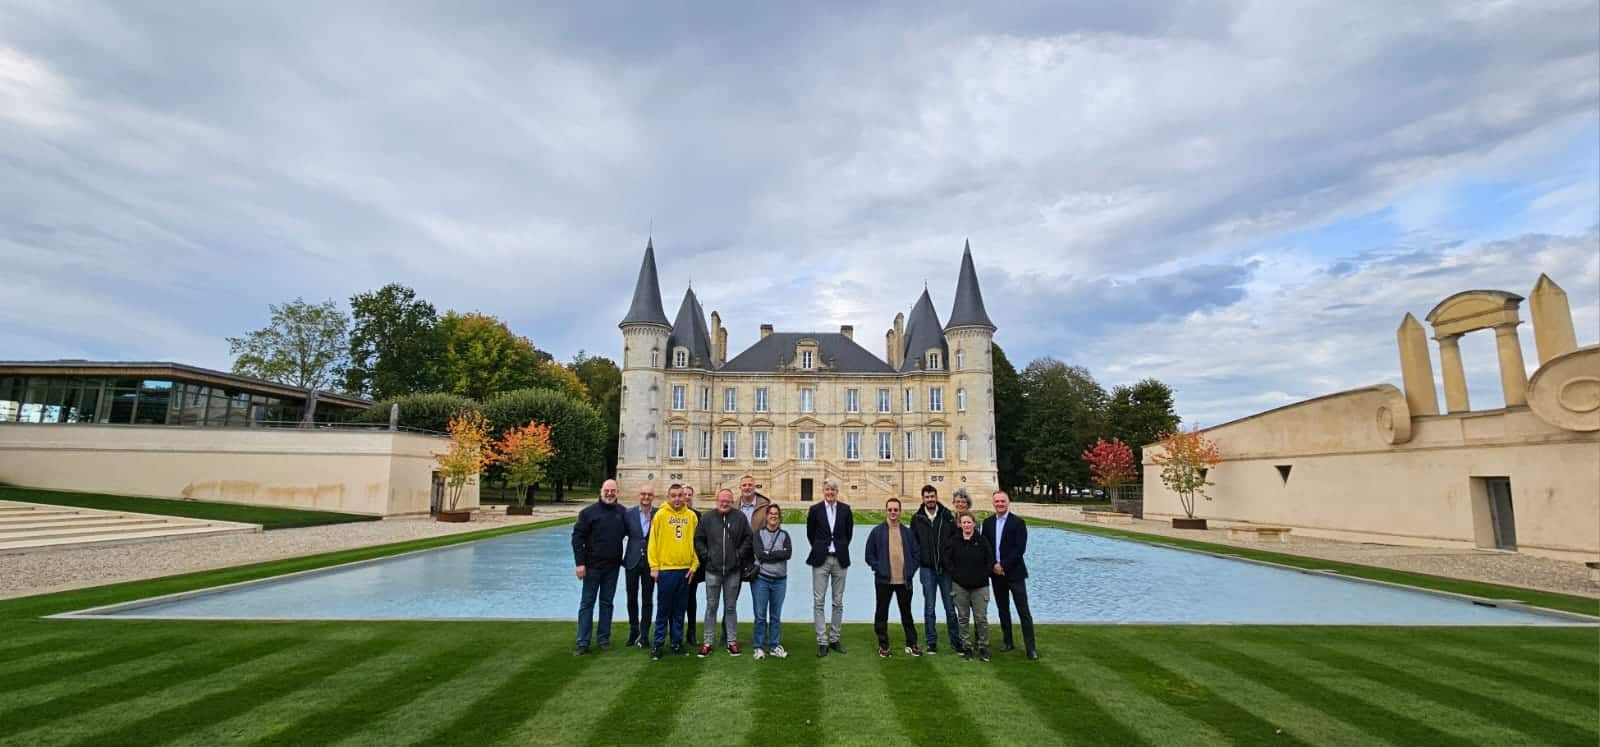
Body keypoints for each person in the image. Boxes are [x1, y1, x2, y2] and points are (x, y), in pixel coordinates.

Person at [693, 488, 754, 657]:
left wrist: (738, 555)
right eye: (722, 500)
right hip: (713, 571)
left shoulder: (740, 517)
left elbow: (749, 538)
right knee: (711, 607)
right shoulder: (707, 518)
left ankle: (732, 642)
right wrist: (707, 556)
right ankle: (707, 642)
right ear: (717, 500)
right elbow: (698, 539)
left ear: (732, 501)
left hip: (733, 571)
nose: (724, 503)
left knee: (731, 607)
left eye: (728, 500)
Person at [571, 479, 627, 655]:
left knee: (607, 603)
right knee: (587, 603)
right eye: (607, 490)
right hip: (592, 566)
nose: (610, 493)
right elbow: (577, 539)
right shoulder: (588, 513)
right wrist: (580, 563)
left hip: (612, 567)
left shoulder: (623, 513)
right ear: (601, 491)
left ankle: (604, 639)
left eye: (613, 490)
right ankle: (583, 641)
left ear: (617, 492)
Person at [864, 497, 922, 658]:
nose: (893, 512)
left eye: (895, 509)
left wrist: (911, 570)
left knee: (907, 613)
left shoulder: (907, 532)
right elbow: (869, 555)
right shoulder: (877, 531)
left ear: (900, 511)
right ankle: (883, 645)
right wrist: (879, 568)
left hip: (904, 580)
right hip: (884, 580)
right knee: (881, 613)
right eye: (890, 509)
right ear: (886, 511)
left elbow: (916, 553)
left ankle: (912, 644)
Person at [648, 483, 700, 660]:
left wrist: (694, 565)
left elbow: (696, 544)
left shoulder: (691, 516)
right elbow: (652, 543)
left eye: (680, 495)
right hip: (666, 570)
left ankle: (677, 642)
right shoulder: (660, 515)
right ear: (668, 497)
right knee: (664, 610)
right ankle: (658, 644)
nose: (677, 499)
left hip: (685, 570)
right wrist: (654, 566)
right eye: (674, 496)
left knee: (679, 610)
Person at [984, 491, 1037, 659]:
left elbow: (1019, 549)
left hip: (1014, 573)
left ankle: (1031, 648)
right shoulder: (988, 523)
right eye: (997, 501)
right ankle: (1008, 641)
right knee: (1003, 609)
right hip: (996, 574)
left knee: (1023, 611)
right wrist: (993, 565)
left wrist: (1003, 565)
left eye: (1002, 501)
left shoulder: (1018, 523)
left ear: (1008, 502)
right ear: (993, 503)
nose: (1000, 504)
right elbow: (986, 547)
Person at [806, 479, 854, 657]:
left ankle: (834, 638)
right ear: (823, 491)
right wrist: (821, 547)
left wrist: (839, 547)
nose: (830, 492)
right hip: (821, 559)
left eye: (833, 489)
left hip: (840, 559)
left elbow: (849, 534)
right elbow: (810, 533)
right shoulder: (815, 510)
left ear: (837, 491)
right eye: (827, 489)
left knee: (838, 601)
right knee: (819, 601)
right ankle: (822, 641)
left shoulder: (845, 510)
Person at [910, 484, 960, 654]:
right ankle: (931, 642)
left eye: (932, 496)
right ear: (923, 499)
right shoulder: (917, 519)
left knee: (949, 607)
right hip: (927, 569)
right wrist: (920, 561)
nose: (930, 500)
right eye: (927, 497)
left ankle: (956, 640)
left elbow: (954, 542)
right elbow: (913, 544)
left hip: (945, 570)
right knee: (929, 607)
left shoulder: (947, 516)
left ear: (936, 497)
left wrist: (949, 561)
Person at [945, 511, 991, 661]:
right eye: (963, 522)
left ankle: (983, 647)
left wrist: (982, 576)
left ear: (974, 524)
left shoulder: (982, 540)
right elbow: (947, 561)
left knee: (981, 618)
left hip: (980, 586)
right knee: (963, 618)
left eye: (969, 522)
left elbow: (989, 561)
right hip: (960, 586)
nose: (966, 525)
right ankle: (967, 647)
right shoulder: (954, 541)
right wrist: (956, 575)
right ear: (960, 524)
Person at [750, 503, 792, 660]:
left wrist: (771, 553)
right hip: (762, 579)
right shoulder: (758, 534)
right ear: (766, 516)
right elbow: (760, 555)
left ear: (779, 517)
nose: (773, 516)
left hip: (780, 580)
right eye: (771, 513)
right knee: (760, 616)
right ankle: (758, 647)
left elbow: (788, 554)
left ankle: (774, 645)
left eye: (776, 514)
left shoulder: (784, 535)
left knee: (775, 616)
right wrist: (777, 553)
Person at [622, 483, 656, 648]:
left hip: (651, 562)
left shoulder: (658, 514)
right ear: (639, 495)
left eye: (649, 494)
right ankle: (633, 630)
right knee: (631, 597)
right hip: (632, 560)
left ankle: (644, 634)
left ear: (653, 497)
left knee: (648, 600)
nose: (646, 497)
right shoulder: (628, 514)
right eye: (643, 494)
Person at [682, 485, 705, 644]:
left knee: (691, 600)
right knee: (676, 601)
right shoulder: (671, 514)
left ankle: (691, 633)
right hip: (676, 565)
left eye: (690, 494)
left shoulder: (697, 515)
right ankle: (676, 632)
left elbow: (700, 541)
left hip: (692, 565)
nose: (687, 497)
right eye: (684, 494)